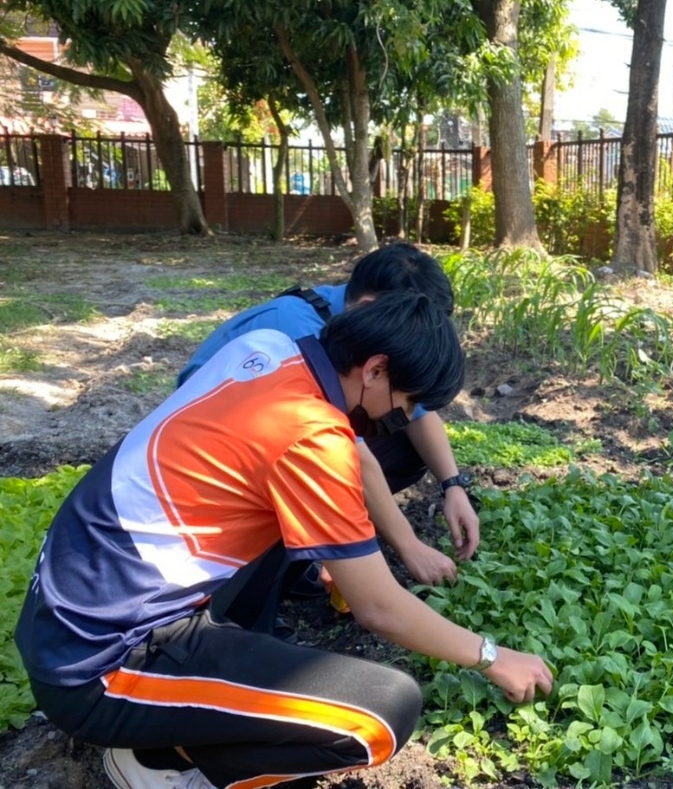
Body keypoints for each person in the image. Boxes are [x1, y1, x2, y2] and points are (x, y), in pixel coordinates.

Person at [16, 291, 554, 789]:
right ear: (375, 369)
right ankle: (164, 761)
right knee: (384, 712)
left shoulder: (270, 351)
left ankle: (184, 717)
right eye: (406, 401)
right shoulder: (310, 434)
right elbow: (379, 609)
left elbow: (354, 462)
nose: (402, 416)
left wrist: (360, 541)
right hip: (101, 665)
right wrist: (492, 656)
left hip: (68, 612)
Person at [178, 242, 475, 587]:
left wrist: (453, 487)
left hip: (254, 443)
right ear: (372, 309)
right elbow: (348, 455)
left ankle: (305, 548)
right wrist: (408, 547)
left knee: (402, 443)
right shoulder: (298, 328)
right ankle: (267, 568)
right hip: (210, 465)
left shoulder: (356, 318)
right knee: (340, 461)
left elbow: (418, 412)